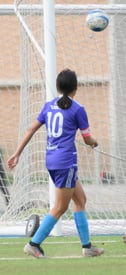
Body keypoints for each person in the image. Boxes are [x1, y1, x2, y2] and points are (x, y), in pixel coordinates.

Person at [7, 69, 104, 258]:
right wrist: (95, 142)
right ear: (76, 88)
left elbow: (31, 128)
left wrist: (17, 153)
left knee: (80, 200)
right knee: (60, 207)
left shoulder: (49, 106)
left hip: (51, 160)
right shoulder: (78, 109)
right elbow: (87, 139)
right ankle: (34, 244)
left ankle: (87, 247)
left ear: (58, 87)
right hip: (65, 162)